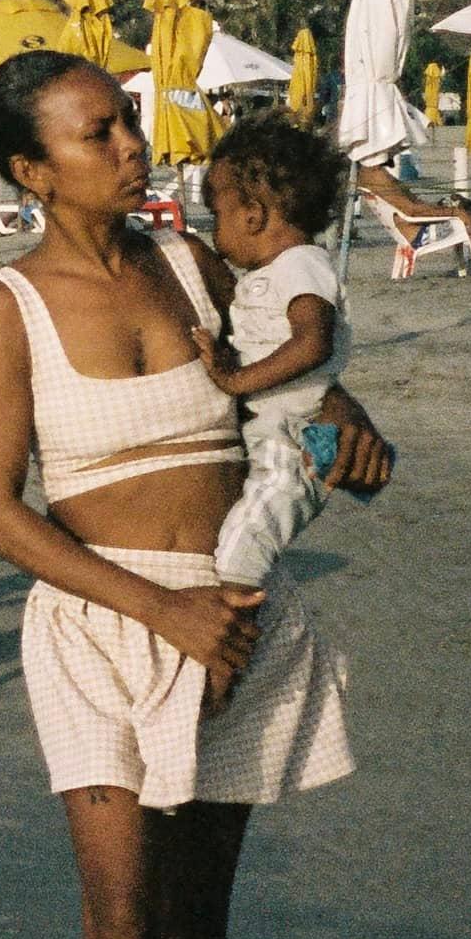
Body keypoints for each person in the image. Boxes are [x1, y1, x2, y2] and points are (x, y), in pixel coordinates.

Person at [0, 51, 388, 939]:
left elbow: (311, 401)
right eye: (101, 132)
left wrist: (356, 444)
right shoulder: (11, 309)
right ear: (34, 169)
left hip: (236, 624)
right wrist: (161, 608)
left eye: (131, 121)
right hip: (106, 623)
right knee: (123, 920)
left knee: (200, 917)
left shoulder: (203, 266)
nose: (135, 145)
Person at [192, 116, 355, 594]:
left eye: (215, 216)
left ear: (252, 216)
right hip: (277, 434)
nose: (214, 232)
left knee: (244, 552)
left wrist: (233, 380)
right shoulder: (276, 271)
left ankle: (233, 633)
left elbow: (313, 342)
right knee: (246, 530)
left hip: (295, 440)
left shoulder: (303, 265)